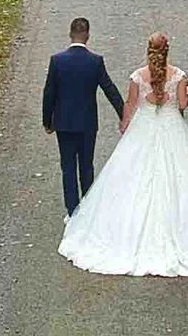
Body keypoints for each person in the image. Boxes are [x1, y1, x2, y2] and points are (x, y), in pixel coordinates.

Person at [59, 30, 188, 277]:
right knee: (181, 179)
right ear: (167, 51)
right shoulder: (179, 76)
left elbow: (131, 105)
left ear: (148, 51)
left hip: (143, 129)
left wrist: (125, 125)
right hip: (172, 129)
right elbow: (181, 105)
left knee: (131, 179)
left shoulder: (138, 76)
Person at [41, 16, 125, 216]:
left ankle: (72, 210)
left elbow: (49, 92)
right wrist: (124, 114)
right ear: (87, 35)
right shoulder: (95, 61)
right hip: (87, 123)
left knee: (68, 166)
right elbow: (109, 89)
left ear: (70, 34)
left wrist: (47, 121)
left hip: (64, 123)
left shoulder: (57, 61)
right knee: (86, 166)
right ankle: (88, 207)